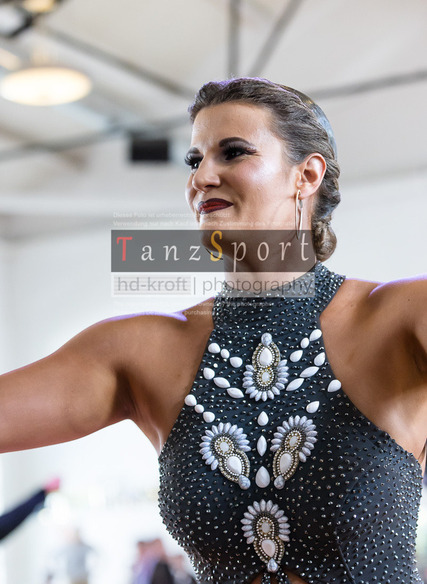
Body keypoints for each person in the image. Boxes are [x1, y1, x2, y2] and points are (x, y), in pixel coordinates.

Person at [0, 77, 425, 584]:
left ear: (306, 175)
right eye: (194, 160)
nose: (201, 177)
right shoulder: (139, 350)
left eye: (233, 152)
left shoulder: (401, 317)